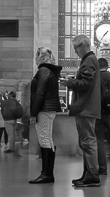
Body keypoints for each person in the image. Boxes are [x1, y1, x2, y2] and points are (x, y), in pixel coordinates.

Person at [63, 34, 101, 188]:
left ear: (83, 46)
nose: (75, 51)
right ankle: (88, 174)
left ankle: (92, 175)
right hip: (87, 107)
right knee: (86, 141)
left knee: (88, 141)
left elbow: (86, 82)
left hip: (86, 107)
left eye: (75, 48)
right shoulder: (90, 60)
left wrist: (70, 82)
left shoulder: (89, 60)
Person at [29, 46, 62, 184]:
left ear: (39, 56)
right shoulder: (51, 71)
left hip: (43, 109)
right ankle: (48, 174)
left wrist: (33, 113)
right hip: (50, 109)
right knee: (48, 139)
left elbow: (39, 93)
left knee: (44, 140)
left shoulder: (43, 70)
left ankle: (46, 174)